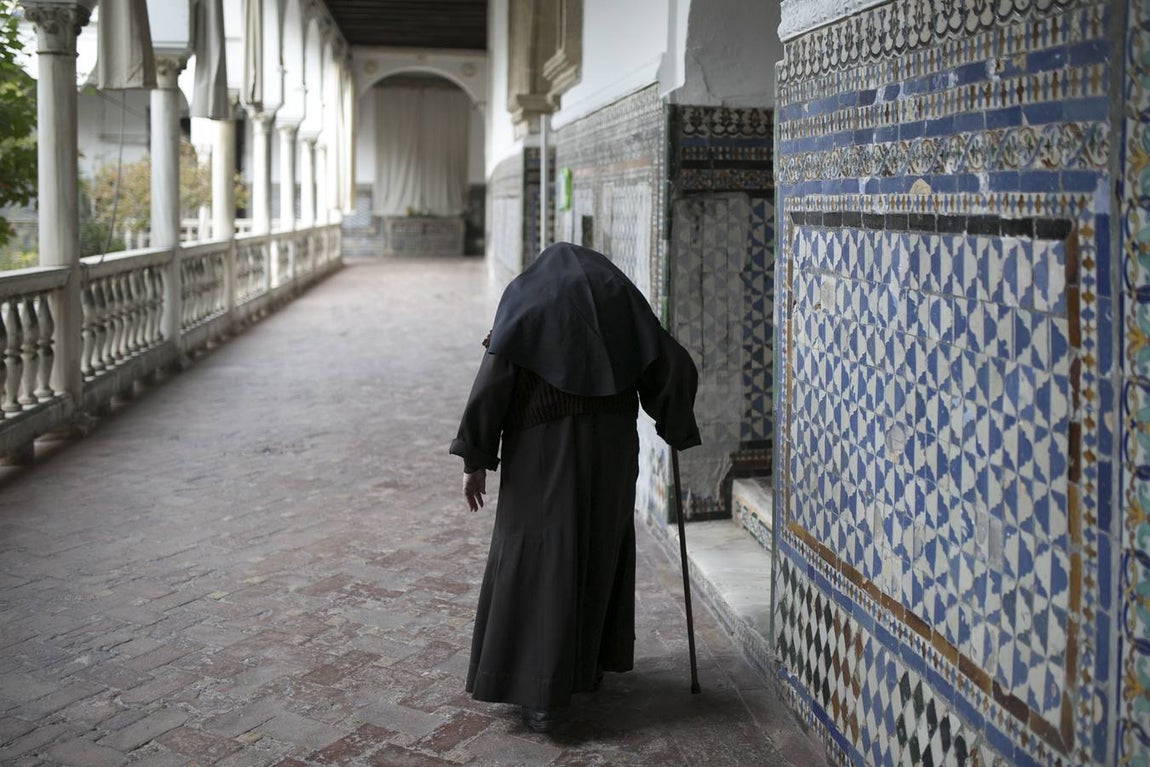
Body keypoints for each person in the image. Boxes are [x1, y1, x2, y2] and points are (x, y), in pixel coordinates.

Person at [449, 242, 702, 732]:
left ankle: (541, 692)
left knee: (539, 559)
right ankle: (586, 668)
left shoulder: (527, 299)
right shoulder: (620, 301)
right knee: (595, 550)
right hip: (610, 453)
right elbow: (672, 365)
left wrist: (476, 457)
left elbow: (494, 378)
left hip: (541, 455)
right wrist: (674, 419)